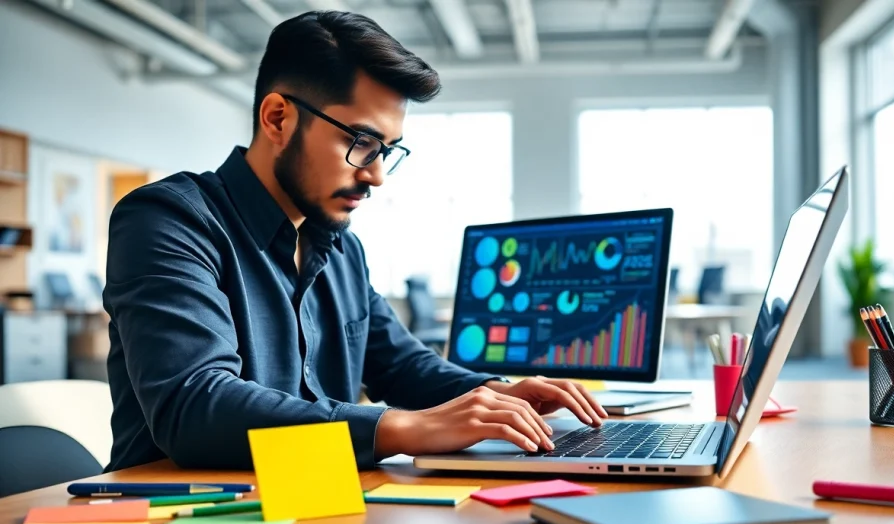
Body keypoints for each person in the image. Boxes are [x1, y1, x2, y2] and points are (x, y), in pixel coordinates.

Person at [103, 10, 607, 472]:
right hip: (179, 521)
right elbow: (194, 407)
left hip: (313, 505)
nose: (377, 176)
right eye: (361, 143)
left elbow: (403, 366)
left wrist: (497, 394)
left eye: (387, 150)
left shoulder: (341, 248)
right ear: (278, 118)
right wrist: (404, 428)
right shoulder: (168, 219)